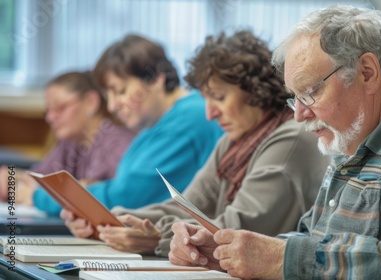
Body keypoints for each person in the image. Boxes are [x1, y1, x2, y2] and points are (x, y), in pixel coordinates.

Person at [168, 5, 381, 279]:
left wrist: (281, 259)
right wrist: (228, 250)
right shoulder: (353, 143)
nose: (299, 115)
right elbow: (315, 245)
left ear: (367, 72)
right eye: (294, 98)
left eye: (310, 92)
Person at [61, 30, 330, 257]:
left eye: (219, 97)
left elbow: (238, 227)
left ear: (255, 91)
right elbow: (189, 205)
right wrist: (113, 220)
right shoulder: (235, 140)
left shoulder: (291, 138)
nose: (210, 114)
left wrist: (157, 236)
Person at [33, 34, 224, 215]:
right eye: (108, 96)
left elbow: (127, 197)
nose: (112, 106)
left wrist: (39, 197)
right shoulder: (155, 125)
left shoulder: (187, 120)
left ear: (156, 79)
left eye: (121, 91)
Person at [0, 71, 135, 205]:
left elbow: (112, 198)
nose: (50, 118)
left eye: (59, 108)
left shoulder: (118, 146)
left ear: (91, 102)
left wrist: (37, 195)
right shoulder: (71, 142)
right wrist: (14, 177)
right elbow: (41, 178)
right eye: (48, 110)